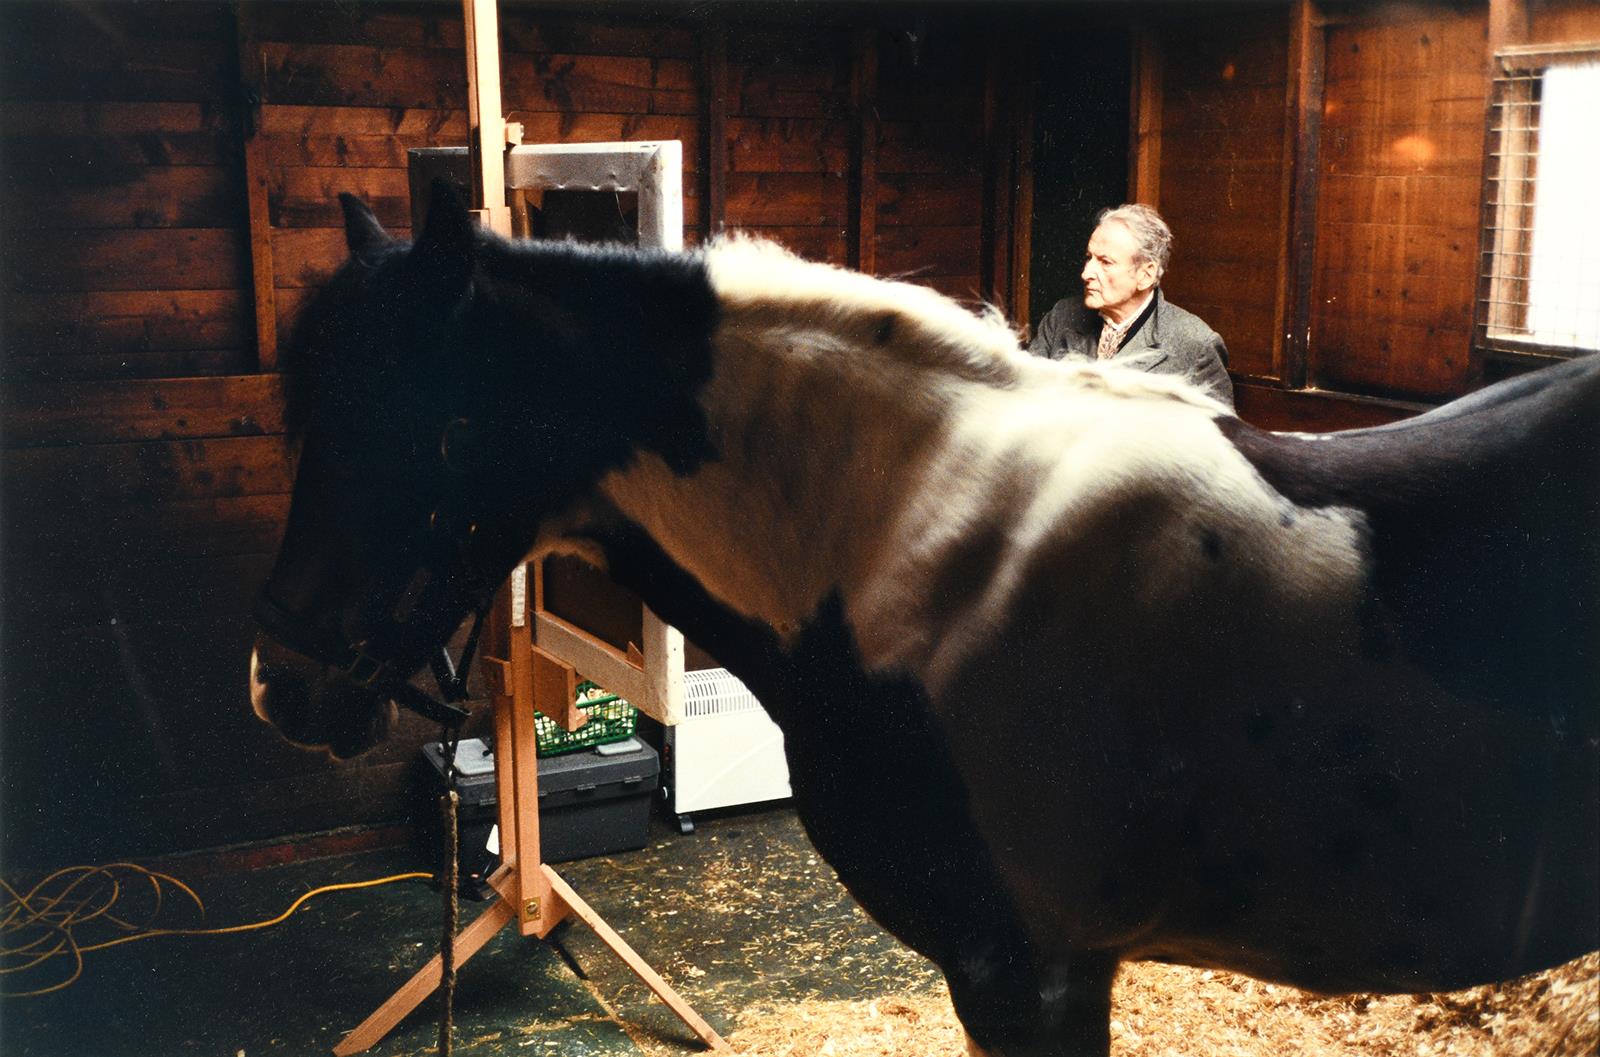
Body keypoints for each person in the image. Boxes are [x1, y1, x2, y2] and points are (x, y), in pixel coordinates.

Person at [1029, 203, 1234, 408]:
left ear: (1146, 275)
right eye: (1089, 258)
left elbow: (1220, 435)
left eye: (1105, 262)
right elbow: (1024, 400)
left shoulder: (1195, 343)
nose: (1086, 273)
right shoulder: (1061, 317)